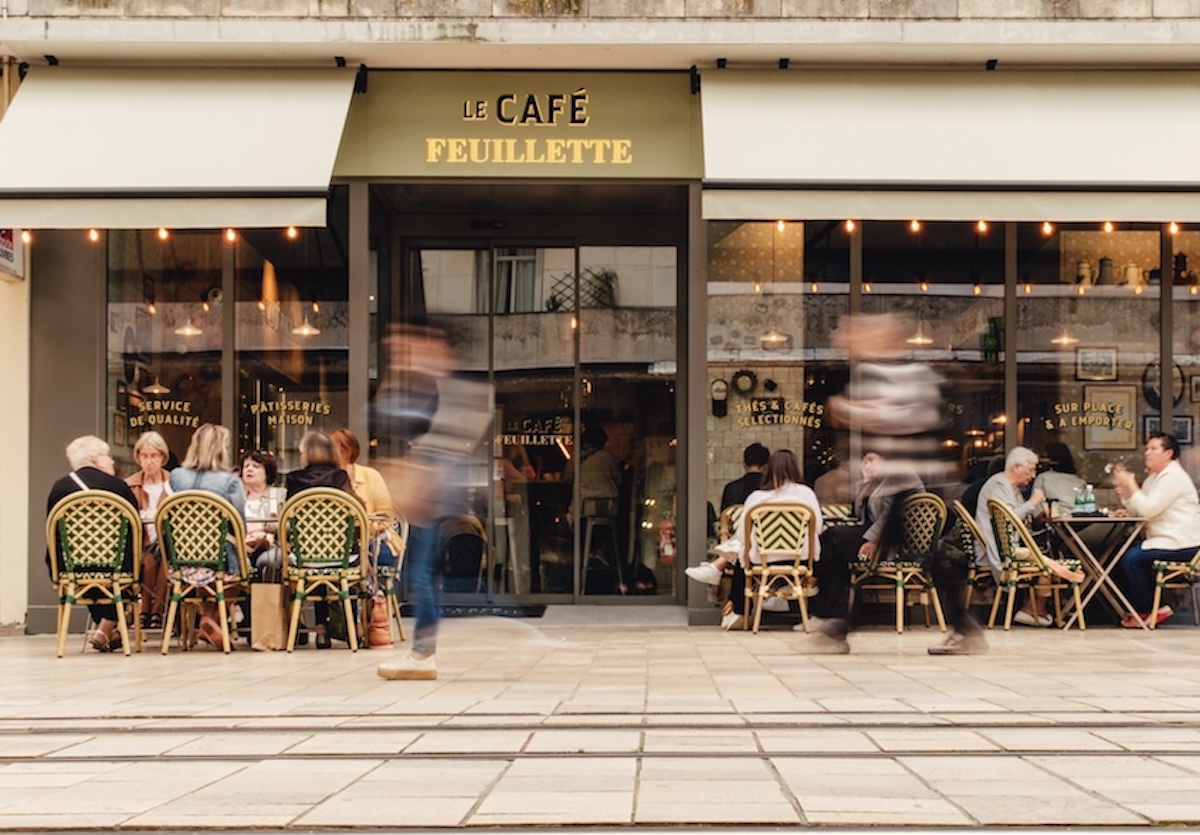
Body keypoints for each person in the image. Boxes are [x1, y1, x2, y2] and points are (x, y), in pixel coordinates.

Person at [374, 322, 489, 680]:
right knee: (425, 574)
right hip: (432, 493)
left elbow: (390, 417)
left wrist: (399, 369)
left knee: (423, 575)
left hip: (430, 495)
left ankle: (422, 654)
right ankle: (422, 652)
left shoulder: (439, 393)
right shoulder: (437, 392)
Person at [805, 450, 924, 627]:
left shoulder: (901, 475)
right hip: (874, 535)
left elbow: (893, 516)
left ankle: (811, 578)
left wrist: (873, 541)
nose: (866, 465)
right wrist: (867, 484)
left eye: (871, 460)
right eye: (864, 461)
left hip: (894, 543)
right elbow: (861, 516)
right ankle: (827, 616)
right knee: (835, 555)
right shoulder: (878, 480)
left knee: (832, 537)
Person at [46, 435, 140, 653]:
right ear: (97, 459)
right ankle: (108, 625)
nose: (112, 462)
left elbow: (52, 531)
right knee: (132, 558)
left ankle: (106, 628)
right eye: (108, 457)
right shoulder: (118, 487)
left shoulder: (60, 487)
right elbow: (136, 532)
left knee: (89, 567)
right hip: (118, 568)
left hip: (71, 567)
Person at [712, 448, 823, 630]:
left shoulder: (756, 498)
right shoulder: (806, 494)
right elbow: (817, 528)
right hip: (800, 560)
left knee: (743, 552)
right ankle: (808, 613)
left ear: (768, 470)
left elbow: (742, 536)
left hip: (762, 562)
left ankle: (741, 611)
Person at [169, 423, 247, 647]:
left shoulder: (176, 476)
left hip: (181, 563)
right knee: (241, 568)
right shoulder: (230, 481)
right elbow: (239, 524)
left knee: (207, 560)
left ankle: (207, 620)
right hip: (220, 563)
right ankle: (210, 619)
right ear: (222, 449)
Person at [1112, 433, 1200, 627]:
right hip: (1164, 540)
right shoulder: (1155, 478)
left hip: (1183, 542)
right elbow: (1140, 510)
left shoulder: (1173, 477)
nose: (1147, 453)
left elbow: (1149, 510)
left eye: (1153, 449)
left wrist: (1132, 485)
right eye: (1147, 449)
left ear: (1168, 453)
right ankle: (1142, 609)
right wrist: (1126, 494)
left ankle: (1154, 609)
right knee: (1117, 556)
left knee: (1132, 559)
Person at [285, 430, 360, 648]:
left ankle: (320, 629)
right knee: (334, 556)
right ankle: (352, 627)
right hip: (343, 558)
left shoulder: (294, 479)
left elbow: (287, 518)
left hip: (304, 559)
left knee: (313, 555)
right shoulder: (341, 477)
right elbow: (357, 512)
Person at [974, 446, 1051, 627]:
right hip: (1000, 550)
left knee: (1048, 552)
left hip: (1006, 546)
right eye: (1030, 469)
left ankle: (1033, 608)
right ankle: (1032, 610)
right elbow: (1010, 518)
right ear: (1016, 467)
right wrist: (1033, 502)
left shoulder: (1010, 487)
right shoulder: (999, 485)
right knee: (1047, 561)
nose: (1033, 476)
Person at [685, 442, 769, 586]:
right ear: (766, 466)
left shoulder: (732, 488)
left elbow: (725, 520)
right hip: (768, 545)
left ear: (744, 464)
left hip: (739, 548)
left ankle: (719, 571)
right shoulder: (770, 489)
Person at [125, 431, 173, 631]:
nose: (149, 462)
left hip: (168, 543)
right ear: (138, 458)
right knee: (151, 558)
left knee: (162, 555)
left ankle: (153, 610)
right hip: (140, 543)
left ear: (163, 457)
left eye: (154, 456)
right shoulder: (130, 484)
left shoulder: (173, 482)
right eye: (144, 456)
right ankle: (149, 609)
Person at [240, 450, 283, 580]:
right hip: (241, 545)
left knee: (268, 561)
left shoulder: (279, 495)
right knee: (240, 562)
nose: (249, 469)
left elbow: (288, 525)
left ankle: (265, 600)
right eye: (246, 466)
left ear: (267, 472)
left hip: (270, 546)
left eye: (256, 466)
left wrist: (264, 526)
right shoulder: (237, 495)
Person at [1033, 442, 1086, 511]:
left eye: (1044, 457)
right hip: (1078, 518)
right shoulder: (1080, 482)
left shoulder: (1042, 478)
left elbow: (1036, 509)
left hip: (1052, 518)